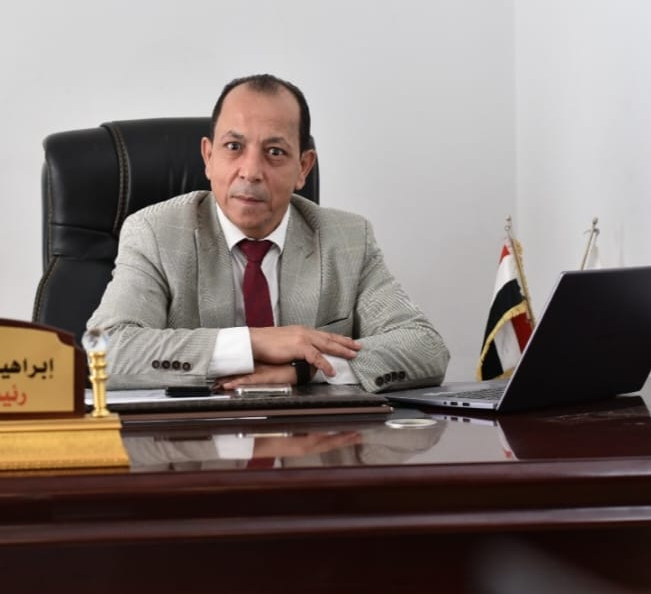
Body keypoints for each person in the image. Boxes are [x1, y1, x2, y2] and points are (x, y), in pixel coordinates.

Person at [86, 74, 450, 392]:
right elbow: (104, 350)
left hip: (313, 442)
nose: (251, 171)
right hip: (194, 442)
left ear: (303, 167)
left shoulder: (348, 239)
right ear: (208, 157)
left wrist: (305, 369)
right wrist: (252, 344)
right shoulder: (156, 233)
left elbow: (426, 347)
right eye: (234, 147)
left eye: (274, 152)